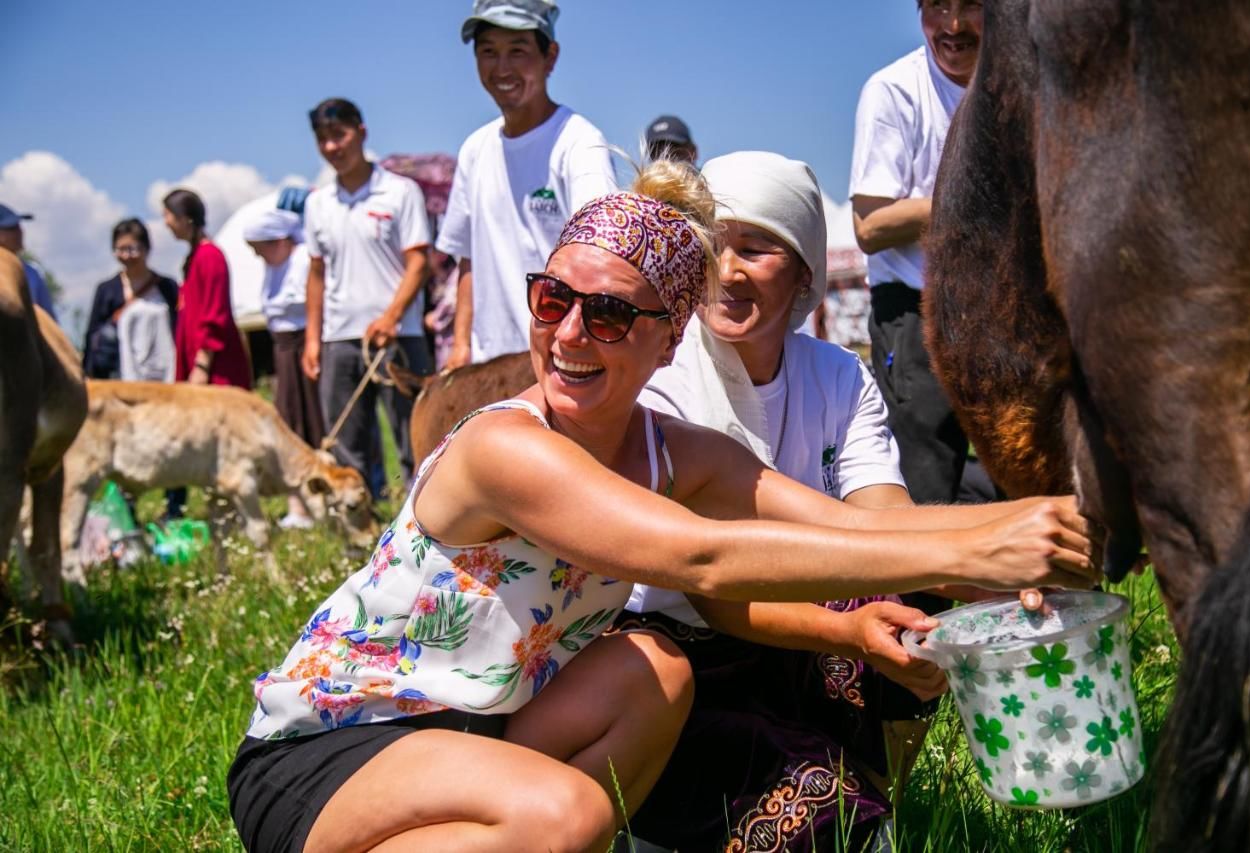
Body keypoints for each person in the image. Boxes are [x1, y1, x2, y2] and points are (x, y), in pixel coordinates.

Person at [226, 160, 1097, 853]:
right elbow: (700, 558)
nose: (567, 334)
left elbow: (858, 526)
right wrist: (977, 552)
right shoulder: (505, 446)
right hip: (335, 747)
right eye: (552, 298)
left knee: (656, 670)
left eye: (607, 315)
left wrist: (1034, 529)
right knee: (564, 812)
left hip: (473, 732)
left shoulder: (672, 451)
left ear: (666, 335)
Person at [624, 150, 1038, 850]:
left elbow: (886, 524)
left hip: (786, 628)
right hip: (683, 649)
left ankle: (871, 789)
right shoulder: (664, 379)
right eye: (716, 247)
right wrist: (851, 627)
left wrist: (1007, 573)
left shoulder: (838, 375)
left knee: (914, 603)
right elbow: (708, 581)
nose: (729, 271)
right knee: (813, 810)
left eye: (756, 248)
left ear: (805, 275)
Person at [849, 0, 983, 505]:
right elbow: (869, 225)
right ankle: (919, 585)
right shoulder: (893, 91)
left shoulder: (1026, 81)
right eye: (936, 6)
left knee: (1032, 482)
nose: (952, 25)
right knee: (923, 487)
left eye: (969, 5)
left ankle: (1030, 586)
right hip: (918, 311)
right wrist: (971, 199)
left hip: (1009, 312)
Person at [436, 0, 617, 370]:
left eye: (517, 51)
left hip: (561, 360)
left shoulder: (579, 144)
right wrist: (460, 347)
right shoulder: (475, 149)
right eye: (488, 51)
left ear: (550, 56)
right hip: (489, 364)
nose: (502, 68)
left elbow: (601, 258)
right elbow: (467, 259)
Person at [300, 98, 432, 494]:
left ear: (361, 132)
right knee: (346, 443)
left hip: (398, 336)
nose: (331, 147)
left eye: (338, 135)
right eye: (322, 139)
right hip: (340, 338)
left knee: (415, 438)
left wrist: (391, 316)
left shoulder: (400, 191)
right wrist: (312, 339)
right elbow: (316, 274)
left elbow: (419, 262)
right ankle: (359, 534)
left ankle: (420, 530)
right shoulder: (317, 203)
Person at [245, 206, 326, 529]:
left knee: (309, 422)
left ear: (279, 241)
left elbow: (302, 302)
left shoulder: (302, 260)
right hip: (283, 348)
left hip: (301, 345)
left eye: (261, 248)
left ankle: (313, 500)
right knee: (290, 421)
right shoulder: (273, 269)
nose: (259, 256)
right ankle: (298, 503)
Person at [163, 188, 252, 390]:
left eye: (168, 215)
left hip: (215, 367)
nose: (166, 222)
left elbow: (215, 315)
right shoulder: (194, 259)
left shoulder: (210, 256)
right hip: (197, 362)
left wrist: (202, 364)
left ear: (185, 218)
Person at [82, 219, 181, 379]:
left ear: (147, 248)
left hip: (163, 373)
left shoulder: (167, 287)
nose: (127, 256)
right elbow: (92, 334)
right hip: (117, 374)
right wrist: (88, 372)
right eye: (121, 249)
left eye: (133, 249)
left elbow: (179, 327)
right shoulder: (106, 290)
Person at [0, 203, 58, 320]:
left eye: (18, 226)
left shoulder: (32, 273)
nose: (20, 232)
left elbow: (50, 320)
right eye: (12, 228)